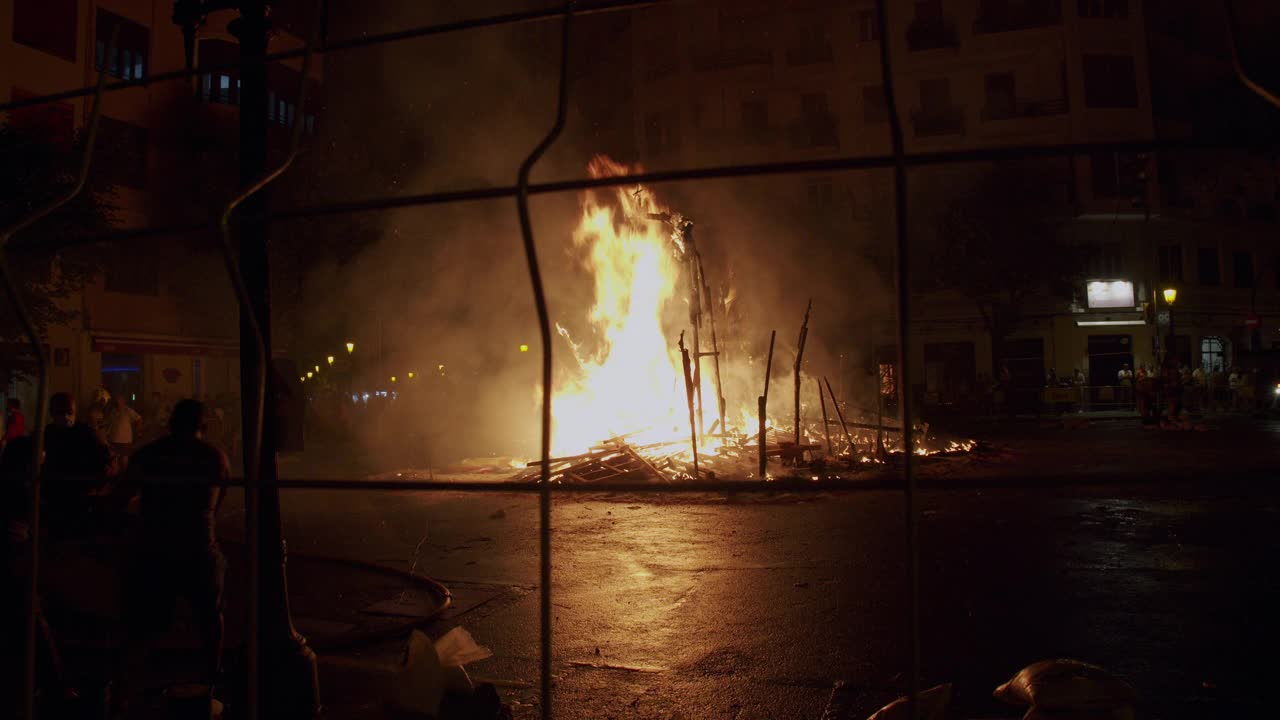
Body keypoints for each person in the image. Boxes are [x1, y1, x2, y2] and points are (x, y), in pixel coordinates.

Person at [118, 399, 230, 713]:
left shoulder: (150, 455)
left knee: (143, 624)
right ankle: (212, 675)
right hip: (198, 547)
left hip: (156, 548)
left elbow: (120, 495)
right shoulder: (214, 457)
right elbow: (219, 499)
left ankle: (127, 694)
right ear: (203, 426)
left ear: (170, 423)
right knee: (210, 616)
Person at [42, 393, 115, 539]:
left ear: (75, 411)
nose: (66, 417)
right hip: (55, 495)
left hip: (81, 493)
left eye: (69, 412)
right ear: (52, 413)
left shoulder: (87, 433)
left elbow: (106, 460)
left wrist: (96, 485)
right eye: (60, 413)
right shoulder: (47, 434)